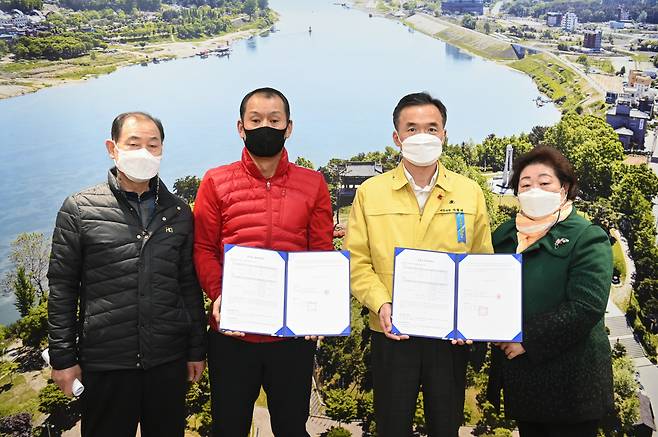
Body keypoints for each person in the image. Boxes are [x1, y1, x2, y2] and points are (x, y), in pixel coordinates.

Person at [47, 112, 206, 437]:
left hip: (167, 360)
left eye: (153, 145)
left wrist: (195, 350)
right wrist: (62, 359)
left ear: (162, 150)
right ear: (112, 147)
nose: (144, 153)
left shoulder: (177, 212)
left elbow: (188, 285)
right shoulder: (80, 209)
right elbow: (62, 288)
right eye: (134, 144)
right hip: (106, 362)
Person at [346, 92, 493, 437]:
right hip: (391, 332)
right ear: (397, 138)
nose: (422, 136)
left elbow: (482, 263)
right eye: (412, 129)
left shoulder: (469, 192)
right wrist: (381, 302)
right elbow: (357, 261)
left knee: (446, 426)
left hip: (449, 338)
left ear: (444, 135)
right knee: (392, 425)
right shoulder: (371, 192)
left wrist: (470, 316)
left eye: (431, 127)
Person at [193, 87, 333, 437]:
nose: (265, 127)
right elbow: (203, 248)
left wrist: (318, 309)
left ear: (289, 127)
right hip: (232, 333)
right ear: (241, 127)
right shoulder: (215, 181)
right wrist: (218, 294)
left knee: (291, 426)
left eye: (274, 120)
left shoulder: (313, 184)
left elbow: (320, 252)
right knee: (229, 426)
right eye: (256, 120)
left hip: (291, 337)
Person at [488, 145, 614, 437]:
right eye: (526, 184)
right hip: (524, 381)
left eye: (545, 183)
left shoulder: (587, 237)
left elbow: (586, 306)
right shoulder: (505, 236)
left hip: (572, 386)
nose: (534, 190)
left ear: (564, 189)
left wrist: (527, 339)